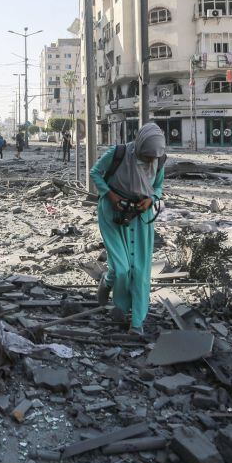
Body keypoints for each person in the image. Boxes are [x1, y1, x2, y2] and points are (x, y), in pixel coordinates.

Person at [90, 123, 167, 333]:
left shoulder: (159, 160)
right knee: (122, 268)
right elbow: (95, 173)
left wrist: (151, 200)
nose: (150, 160)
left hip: (140, 217)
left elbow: (158, 186)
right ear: (140, 146)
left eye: (154, 157)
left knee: (141, 271)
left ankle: (136, 323)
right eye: (147, 156)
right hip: (113, 213)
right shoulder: (119, 154)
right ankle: (113, 292)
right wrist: (110, 195)